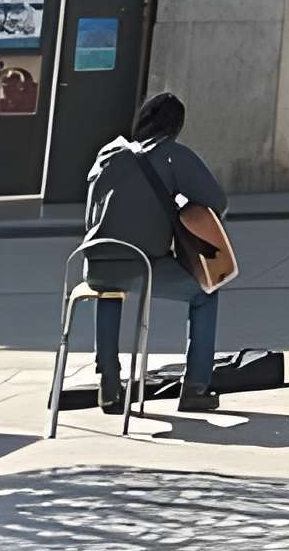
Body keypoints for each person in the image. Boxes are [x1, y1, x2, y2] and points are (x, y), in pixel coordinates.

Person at [78, 91, 229, 414]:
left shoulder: (107, 153)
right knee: (205, 293)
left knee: (108, 290)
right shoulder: (173, 155)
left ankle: (109, 386)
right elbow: (217, 203)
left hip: (93, 262)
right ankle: (196, 388)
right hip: (142, 262)